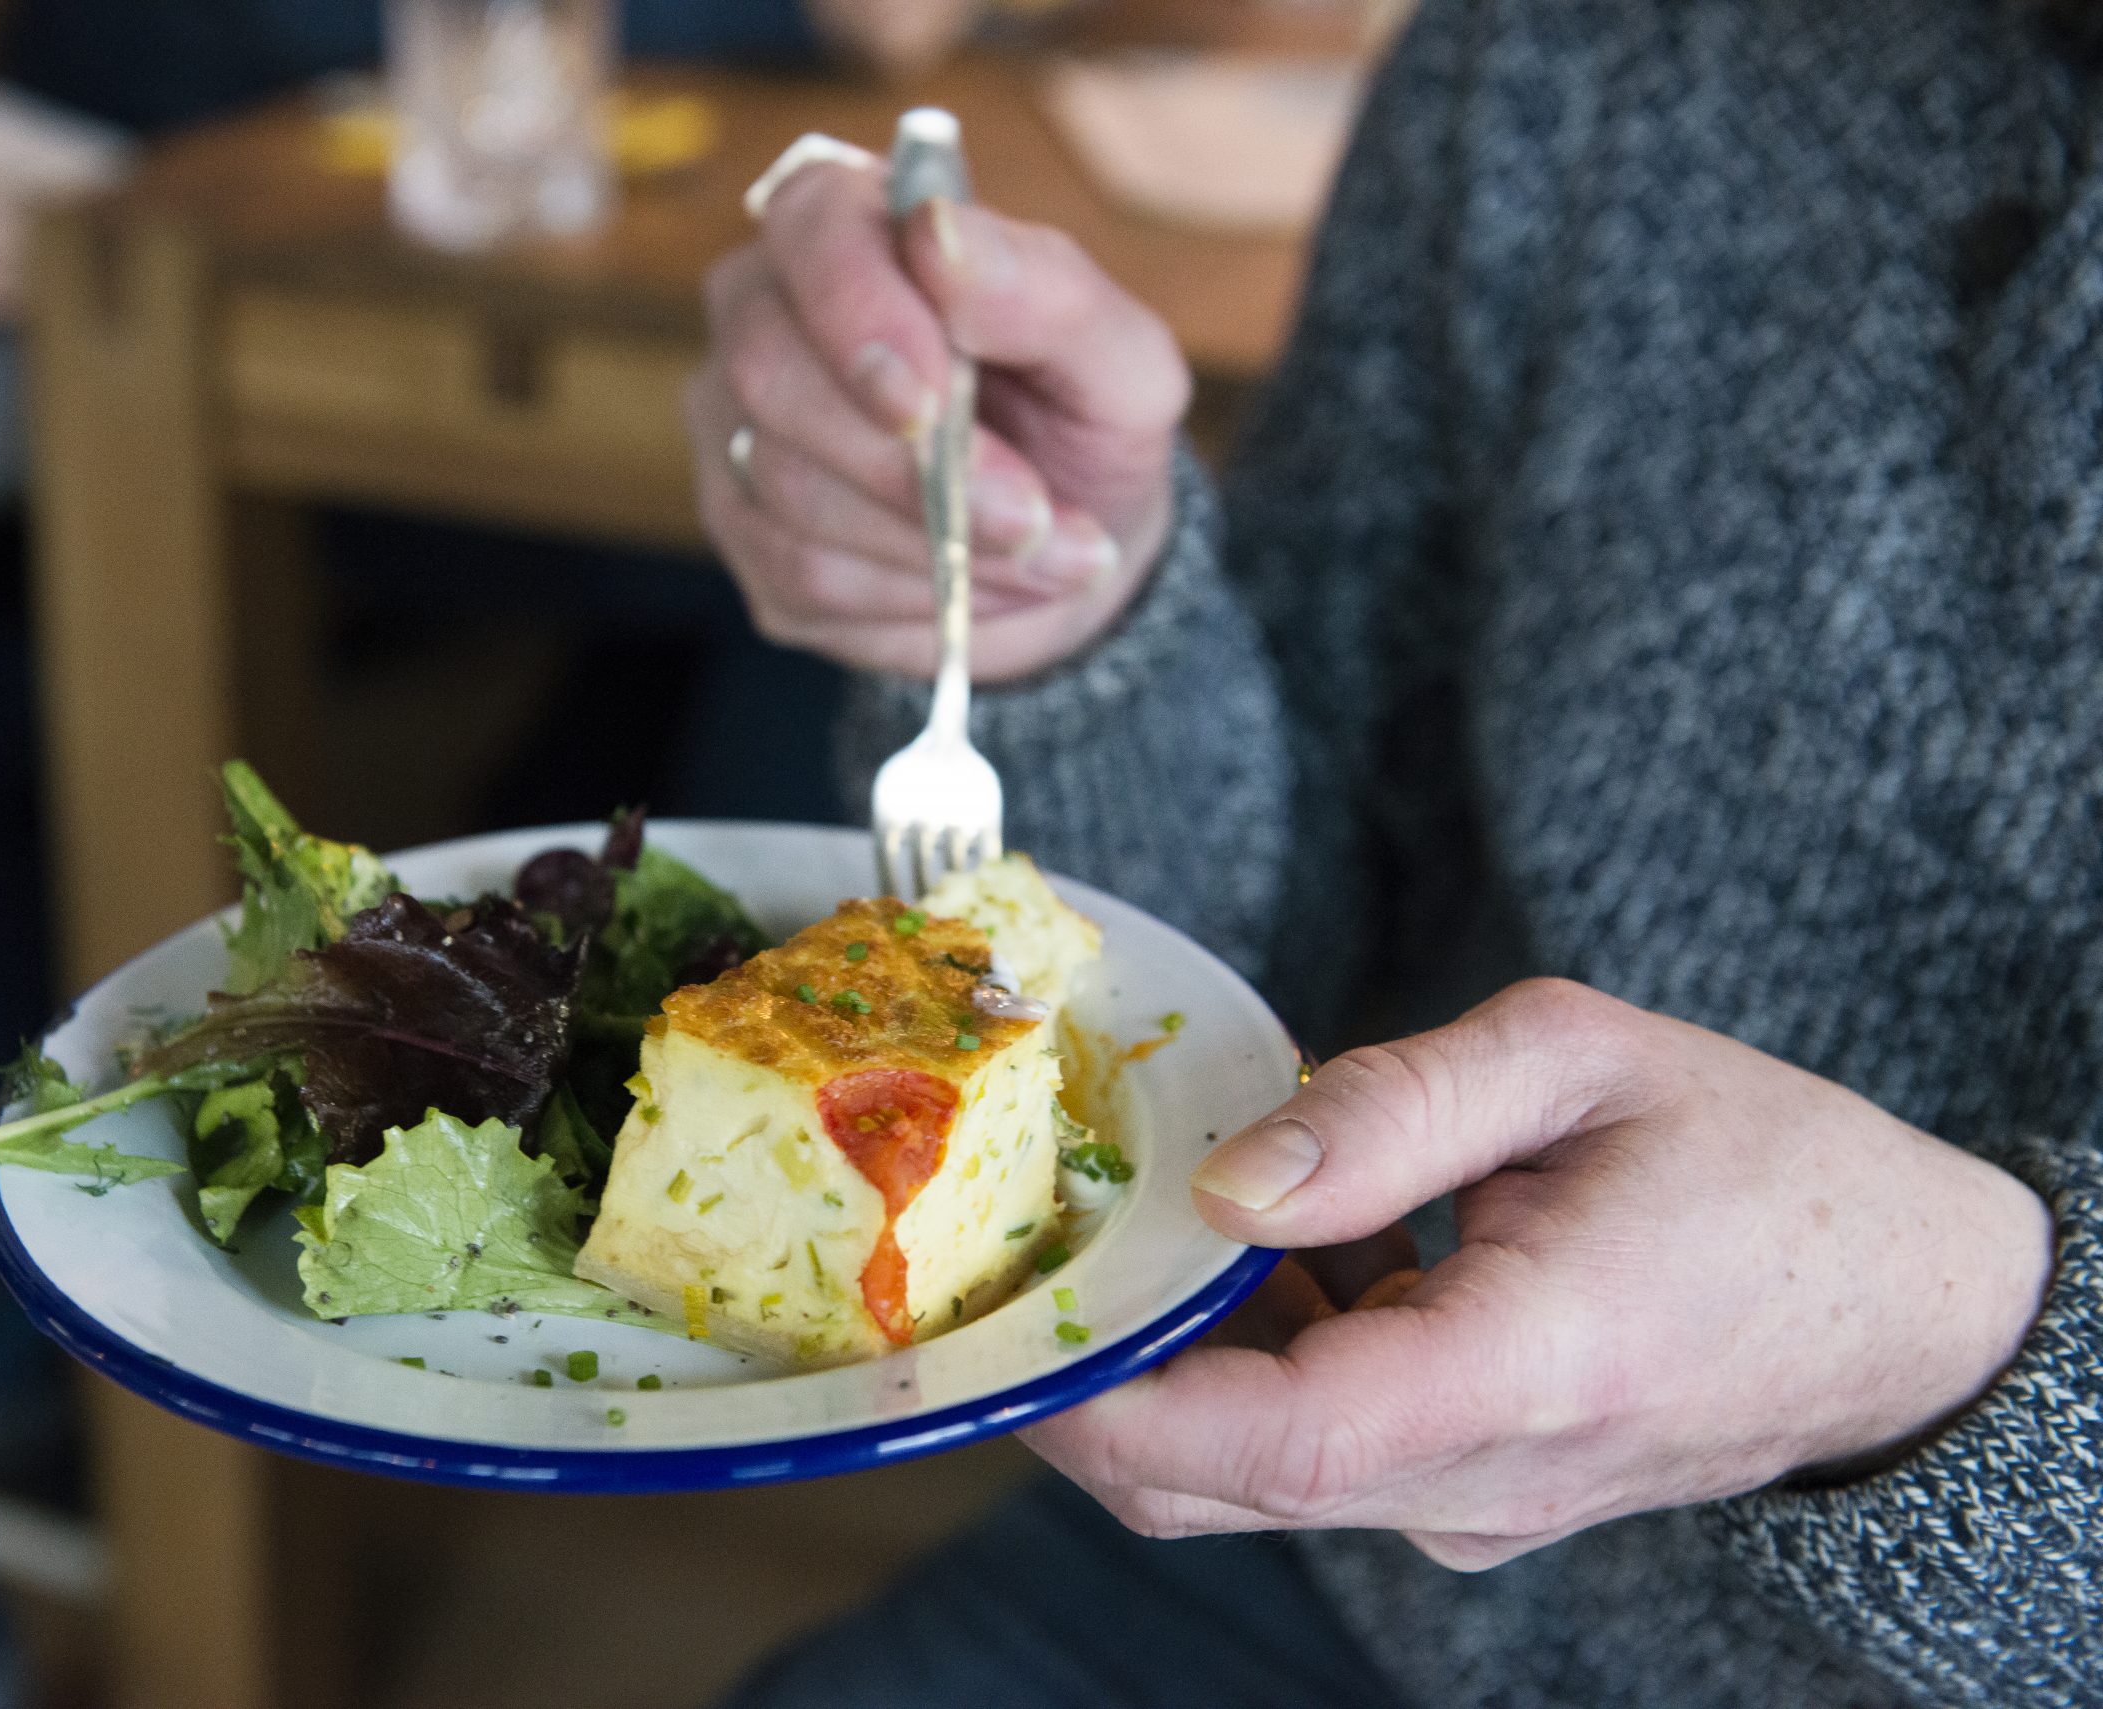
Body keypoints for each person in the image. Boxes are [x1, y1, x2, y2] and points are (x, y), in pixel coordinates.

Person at [684, 0, 2103, 1703]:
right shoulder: (1580, 55)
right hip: (1342, 1560)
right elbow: (1272, 939)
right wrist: (1078, 621)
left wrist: (1945, 1339)